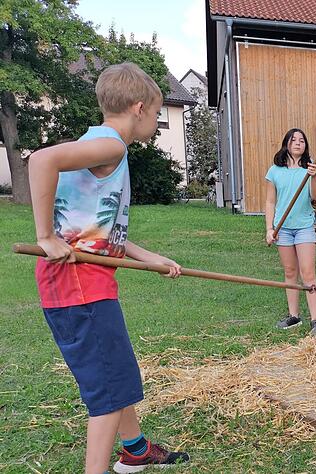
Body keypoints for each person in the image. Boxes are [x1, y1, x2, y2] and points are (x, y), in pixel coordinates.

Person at [28, 63, 191, 473]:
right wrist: (45, 236)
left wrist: (147, 257)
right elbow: (41, 160)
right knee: (108, 390)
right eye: (157, 113)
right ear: (139, 108)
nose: (156, 121)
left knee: (116, 372)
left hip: (84, 281)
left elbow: (95, 229)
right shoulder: (112, 146)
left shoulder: (98, 142)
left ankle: (135, 449)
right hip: (81, 287)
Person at [265, 128, 316, 335]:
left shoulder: (309, 170)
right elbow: (271, 201)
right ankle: (294, 316)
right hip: (284, 229)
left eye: (302, 140)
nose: (298, 143)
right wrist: (269, 228)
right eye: (294, 140)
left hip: (305, 227)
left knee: (308, 273)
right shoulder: (275, 171)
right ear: (286, 144)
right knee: (290, 272)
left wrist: (315, 176)